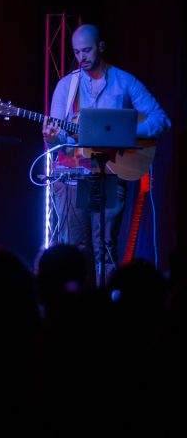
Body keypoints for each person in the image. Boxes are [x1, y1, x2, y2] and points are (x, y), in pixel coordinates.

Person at [42, 24, 170, 280]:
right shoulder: (66, 86)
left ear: (101, 47)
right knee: (75, 249)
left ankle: (106, 301)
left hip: (110, 173)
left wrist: (125, 134)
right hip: (75, 177)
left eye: (87, 50)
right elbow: (60, 139)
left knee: (106, 249)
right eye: (76, 52)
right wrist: (51, 137)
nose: (81, 57)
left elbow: (161, 119)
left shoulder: (125, 82)